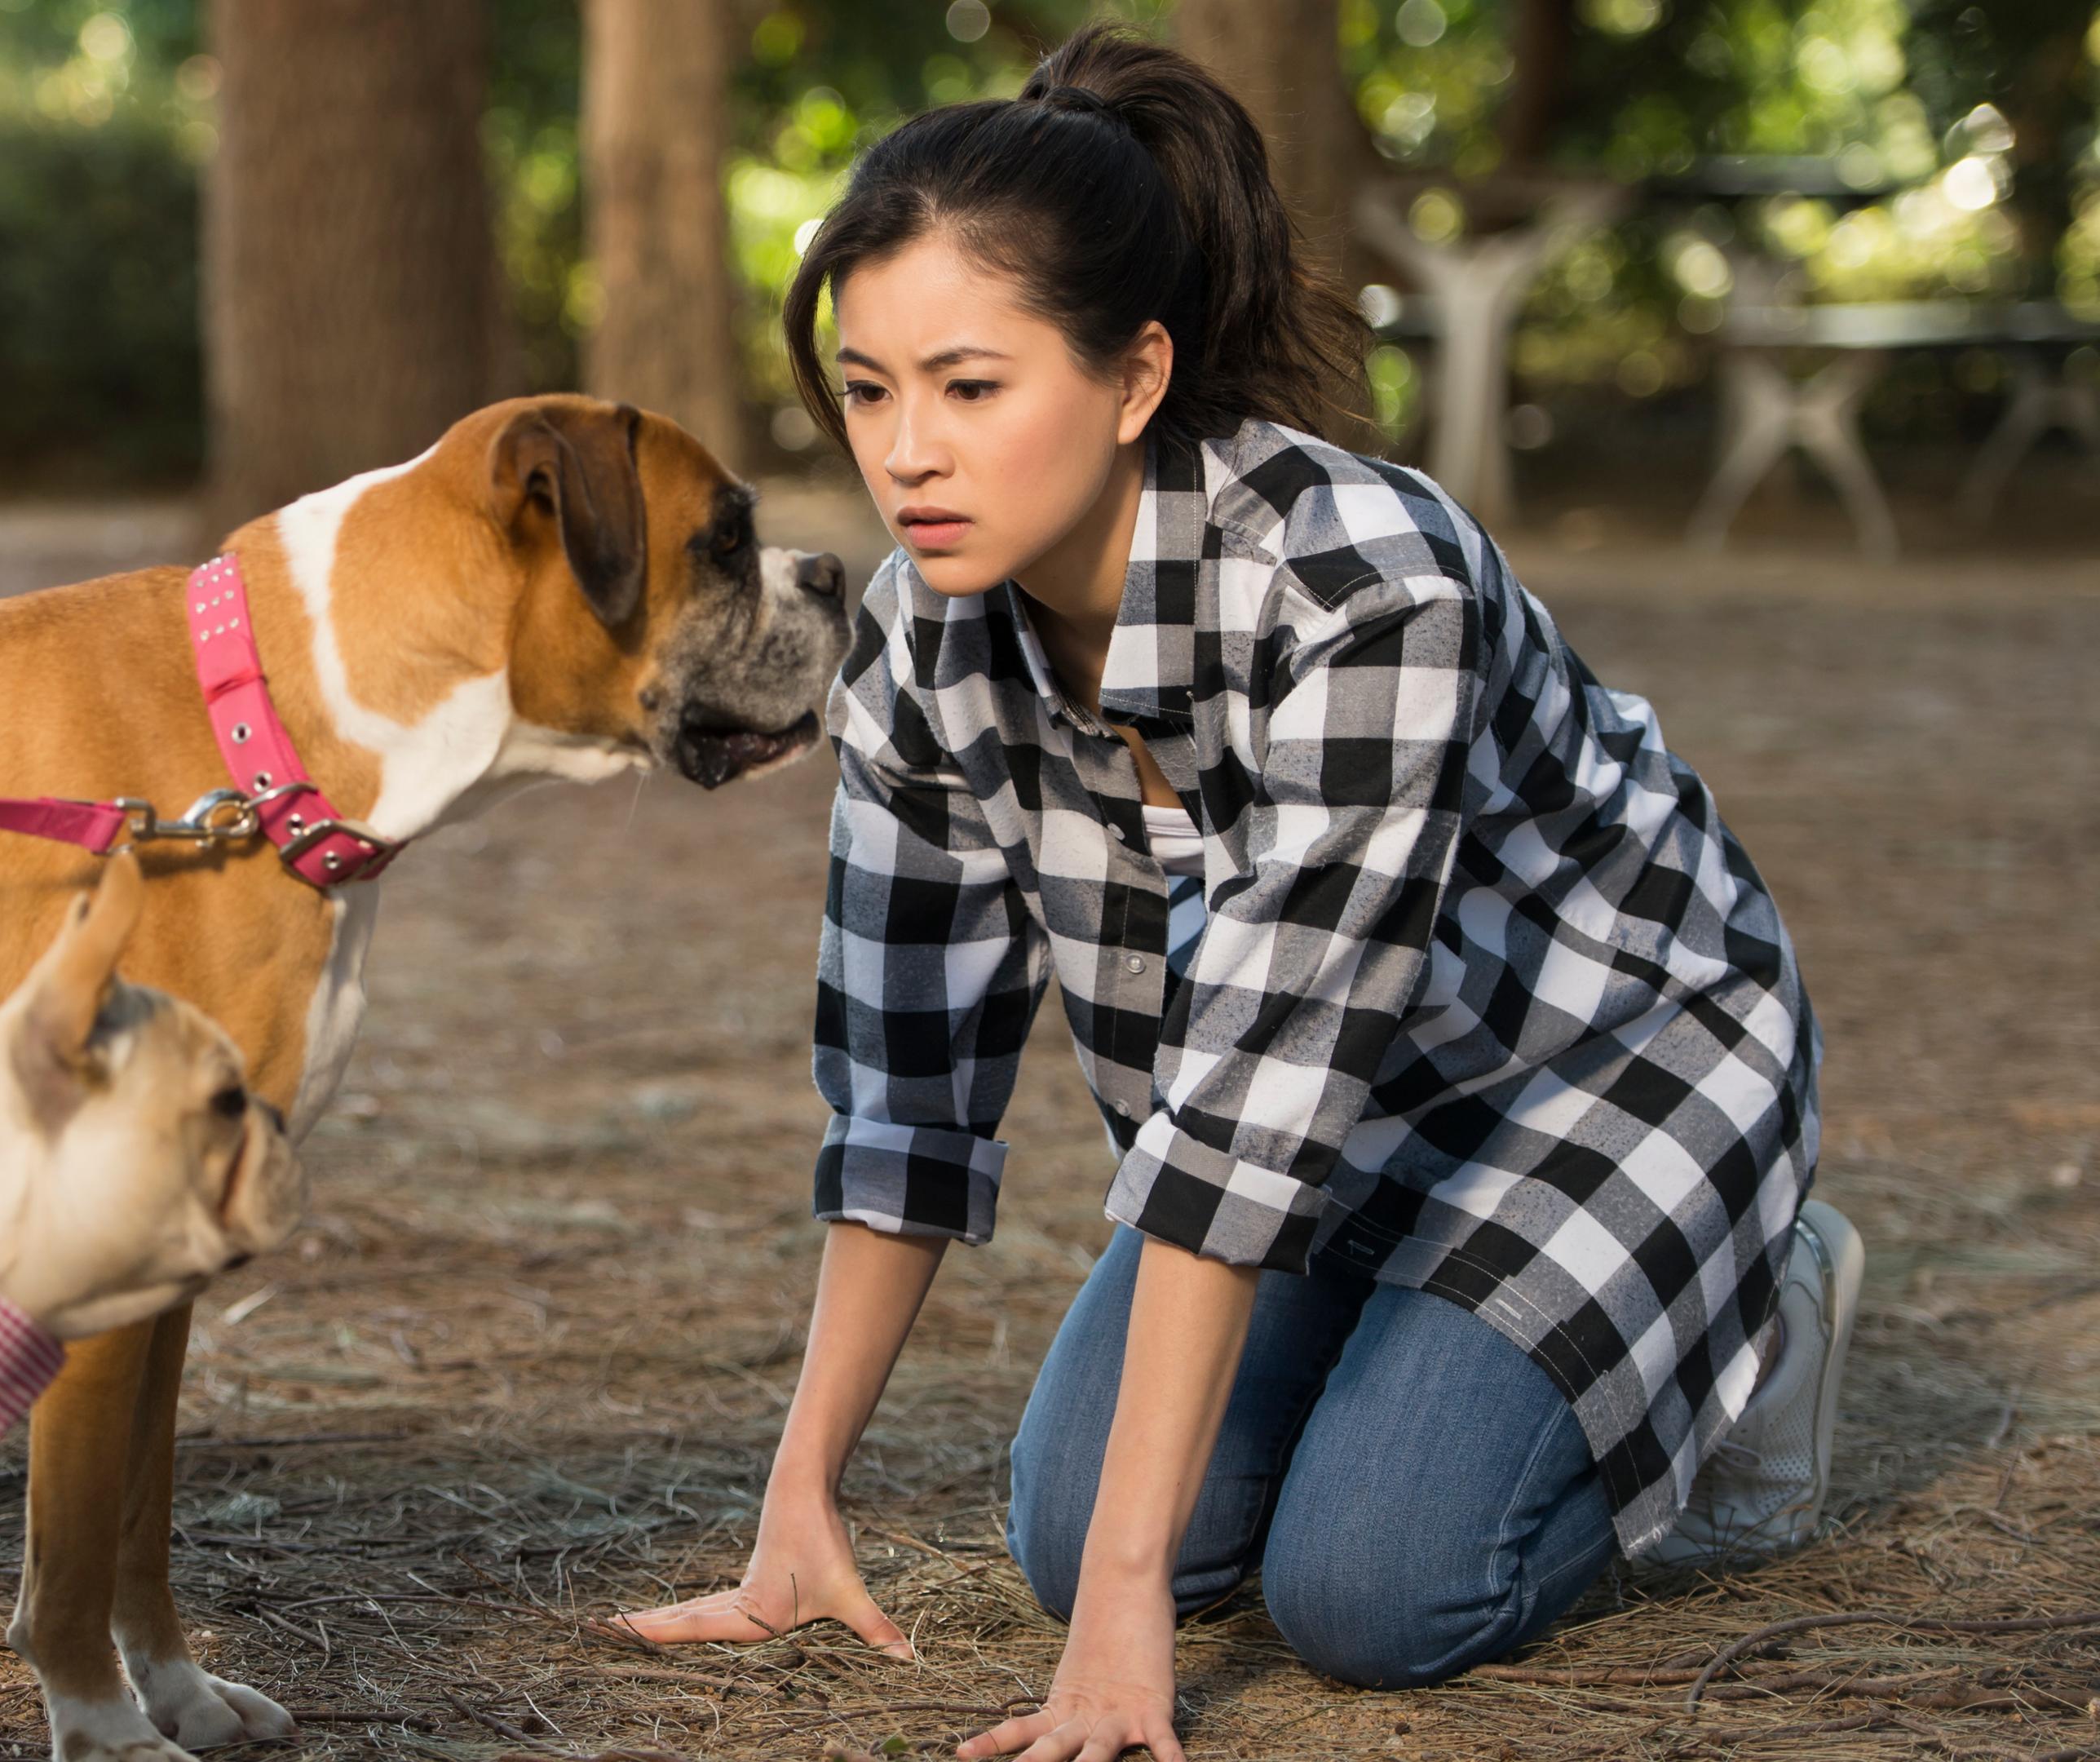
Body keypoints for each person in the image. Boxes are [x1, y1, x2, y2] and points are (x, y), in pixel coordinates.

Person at [615, 24, 1859, 1762]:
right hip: (1302, 1147)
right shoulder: (914, 643)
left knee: (1378, 1595)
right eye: (869, 387)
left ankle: (1746, 1308)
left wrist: (1131, 1637)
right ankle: (1419, 1341)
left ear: (1134, 379)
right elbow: (907, 1092)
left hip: (1599, 1072)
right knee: (1073, 1541)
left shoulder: (1363, 587)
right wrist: (796, 1504)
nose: (906, 454)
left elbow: (1262, 1097)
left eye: (971, 388)